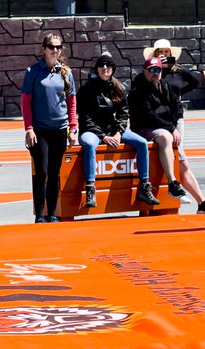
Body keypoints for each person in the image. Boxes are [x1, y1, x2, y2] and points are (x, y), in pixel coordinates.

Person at [129, 55, 205, 215]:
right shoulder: (138, 90)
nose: (155, 73)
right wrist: (171, 128)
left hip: (167, 127)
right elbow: (147, 115)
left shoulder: (164, 85)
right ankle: (172, 182)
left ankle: (202, 203)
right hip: (146, 128)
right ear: (144, 71)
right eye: (151, 70)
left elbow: (176, 105)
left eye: (158, 69)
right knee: (165, 137)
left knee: (183, 164)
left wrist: (175, 122)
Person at [78, 53, 159, 209]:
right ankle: (90, 189)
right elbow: (85, 118)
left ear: (113, 69)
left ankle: (144, 187)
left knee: (142, 143)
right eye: (101, 65)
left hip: (113, 130)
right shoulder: (86, 89)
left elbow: (123, 114)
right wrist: (103, 137)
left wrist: (118, 133)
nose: (105, 68)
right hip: (91, 131)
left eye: (108, 65)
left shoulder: (119, 88)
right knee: (90, 144)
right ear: (97, 69)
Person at [142, 37, 205, 211]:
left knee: (178, 151)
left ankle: (179, 188)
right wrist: (159, 68)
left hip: (176, 116)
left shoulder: (178, 72)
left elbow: (195, 81)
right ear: (155, 54)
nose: (164, 55)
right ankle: (178, 188)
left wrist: (179, 91)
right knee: (177, 154)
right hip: (159, 118)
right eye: (160, 52)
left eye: (166, 52)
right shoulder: (154, 72)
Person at [21, 32, 77, 224]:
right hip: (40, 130)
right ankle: (40, 214)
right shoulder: (33, 71)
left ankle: (52, 213)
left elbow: (71, 102)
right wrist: (29, 128)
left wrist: (73, 128)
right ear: (43, 49)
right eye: (51, 47)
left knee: (54, 173)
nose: (55, 50)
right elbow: (25, 102)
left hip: (60, 129)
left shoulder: (66, 73)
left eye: (58, 47)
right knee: (42, 172)